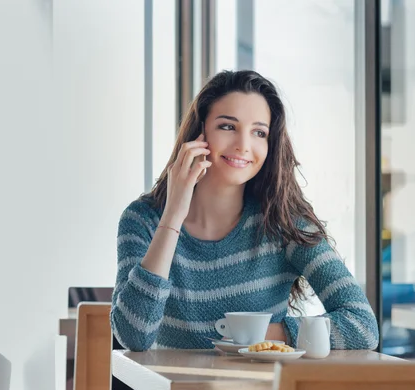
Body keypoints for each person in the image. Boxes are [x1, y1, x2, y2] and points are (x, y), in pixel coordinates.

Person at [111, 70, 379, 352]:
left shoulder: (283, 223)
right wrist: (173, 216)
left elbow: (362, 326)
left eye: (259, 132)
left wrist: (259, 334)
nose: (243, 145)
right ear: (199, 132)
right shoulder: (142, 219)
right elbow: (133, 336)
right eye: (228, 127)